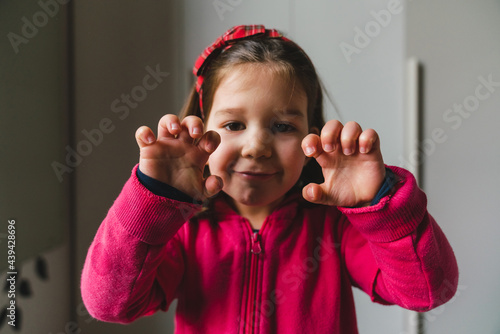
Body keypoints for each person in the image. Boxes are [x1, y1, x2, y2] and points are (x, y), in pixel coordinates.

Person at [81, 25, 458, 333]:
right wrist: (151, 201)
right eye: (233, 124)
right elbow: (109, 304)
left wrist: (380, 204)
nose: (257, 146)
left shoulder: (334, 227)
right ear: (200, 127)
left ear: (312, 135)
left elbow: (429, 291)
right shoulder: (185, 230)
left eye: (282, 126)